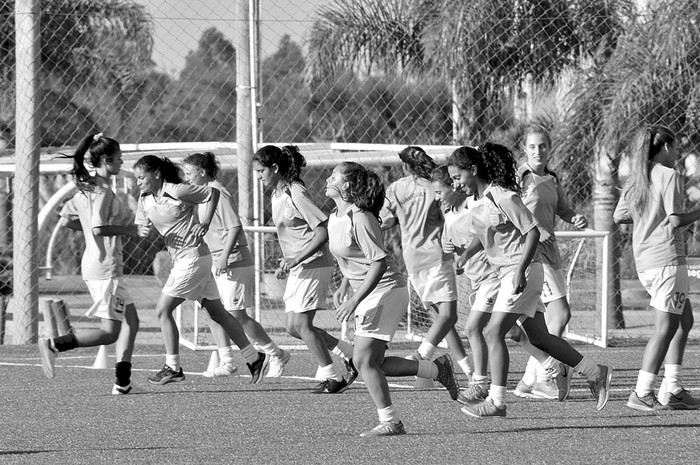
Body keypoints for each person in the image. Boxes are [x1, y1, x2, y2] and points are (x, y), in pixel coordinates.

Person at [448, 143, 612, 418]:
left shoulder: (503, 196)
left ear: (473, 170)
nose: (456, 184)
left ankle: (497, 401)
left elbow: (532, 232)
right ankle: (595, 373)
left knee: (492, 332)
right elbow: (484, 233)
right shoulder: (481, 199)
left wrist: (519, 270)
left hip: (521, 272)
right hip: (508, 274)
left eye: (458, 177)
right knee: (540, 337)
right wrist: (465, 256)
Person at [326, 161, 459, 437]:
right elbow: (355, 261)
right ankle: (437, 369)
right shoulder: (335, 216)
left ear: (347, 186)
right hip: (371, 292)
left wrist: (354, 301)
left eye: (334, 176)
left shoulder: (359, 217)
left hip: (384, 290)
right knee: (376, 363)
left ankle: (392, 422)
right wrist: (346, 288)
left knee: (363, 361)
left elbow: (378, 263)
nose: (328, 178)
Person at [433, 166, 567, 405]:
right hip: (482, 280)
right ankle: (553, 365)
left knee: (475, 328)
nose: (440, 195)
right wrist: (458, 253)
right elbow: (450, 246)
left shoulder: (479, 206)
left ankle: (482, 386)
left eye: (442, 190)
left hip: (494, 278)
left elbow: (497, 234)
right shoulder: (451, 214)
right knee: (517, 333)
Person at [132, 155, 268, 385]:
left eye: (141, 177)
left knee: (163, 310)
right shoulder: (145, 198)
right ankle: (254, 358)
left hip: (192, 258)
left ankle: (172, 367)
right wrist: (142, 229)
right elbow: (142, 223)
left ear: (156, 174)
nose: (138, 182)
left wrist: (204, 222)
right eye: (136, 178)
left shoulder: (176, 190)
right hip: (190, 259)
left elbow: (211, 193)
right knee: (218, 313)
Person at [37, 133, 140, 395]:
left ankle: (123, 382)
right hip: (105, 268)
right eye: (117, 159)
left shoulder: (86, 189)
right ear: (105, 160)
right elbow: (97, 226)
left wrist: (89, 229)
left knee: (133, 320)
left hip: (98, 265)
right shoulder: (103, 191)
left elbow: (67, 219)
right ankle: (54, 344)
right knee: (110, 333)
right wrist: (131, 231)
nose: (121, 162)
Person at [252, 145, 356, 393]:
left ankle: (332, 376)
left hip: (314, 263)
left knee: (303, 325)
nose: (258, 176)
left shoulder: (295, 192)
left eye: (261, 171)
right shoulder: (277, 194)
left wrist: (296, 257)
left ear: (275, 168)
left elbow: (322, 230)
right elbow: (295, 234)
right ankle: (348, 352)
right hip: (300, 266)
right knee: (292, 328)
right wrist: (287, 261)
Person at [181, 152, 291, 377]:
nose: (186, 178)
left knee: (237, 315)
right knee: (212, 310)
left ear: (202, 172)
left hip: (233, 261)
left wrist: (223, 257)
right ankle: (227, 361)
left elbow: (234, 227)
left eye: (189, 173)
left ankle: (276, 353)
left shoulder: (218, 193)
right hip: (214, 260)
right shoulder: (202, 196)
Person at [614, 125, 700, 411]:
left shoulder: (639, 177)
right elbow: (676, 220)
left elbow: (620, 215)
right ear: (665, 148)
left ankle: (673, 388)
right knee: (665, 328)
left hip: (647, 261)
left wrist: (647, 217)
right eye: (675, 147)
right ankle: (642, 391)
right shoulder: (668, 175)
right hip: (666, 260)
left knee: (683, 321)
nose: (677, 153)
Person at [381, 147, 472, 377]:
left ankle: (467, 370)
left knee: (440, 318)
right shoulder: (435, 187)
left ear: (404, 166)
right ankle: (421, 356)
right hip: (436, 255)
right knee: (448, 316)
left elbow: (386, 221)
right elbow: (450, 216)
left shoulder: (396, 188)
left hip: (412, 259)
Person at [515, 124, 589, 400]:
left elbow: (562, 208)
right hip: (531, 253)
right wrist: (536, 229)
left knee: (548, 319)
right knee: (559, 315)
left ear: (550, 147)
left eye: (543, 145)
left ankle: (529, 380)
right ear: (525, 149)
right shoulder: (521, 177)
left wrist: (575, 217)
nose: (538, 151)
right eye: (532, 146)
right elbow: (512, 208)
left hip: (551, 253)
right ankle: (542, 376)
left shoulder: (553, 178)